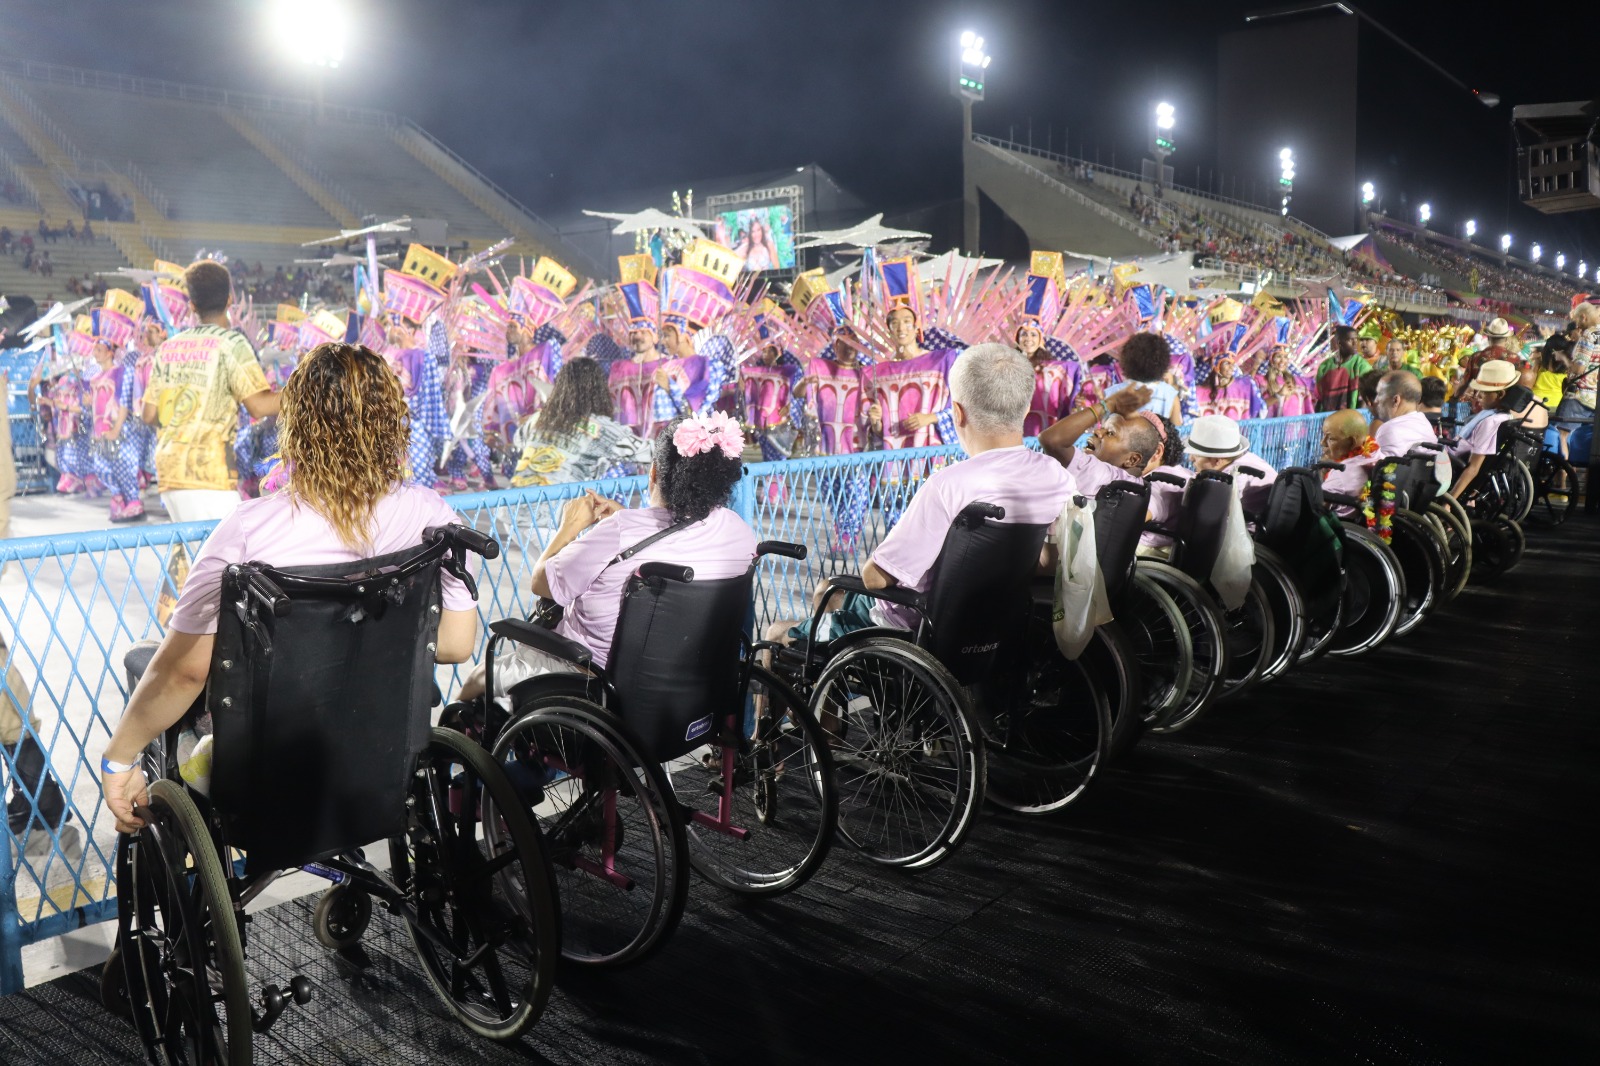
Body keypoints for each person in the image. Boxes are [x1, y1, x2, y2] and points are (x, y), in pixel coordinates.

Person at [100, 343, 480, 832]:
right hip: (382, 744)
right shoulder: (432, 515)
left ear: (296, 424)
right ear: (392, 421)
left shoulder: (249, 530)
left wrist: (118, 758)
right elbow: (455, 645)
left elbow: (185, 673)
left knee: (148, 660)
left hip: (272, 763)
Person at [774, 344, 1074, 644]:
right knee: (828, 591)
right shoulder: (1057, 476)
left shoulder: (949, 485)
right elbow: (1050, 561)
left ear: (957, 413)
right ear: (1025, 408)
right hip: (996, 622)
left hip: (913, 624)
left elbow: (875, 578)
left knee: (778, 631)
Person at [459, 410, 756, 701]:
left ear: (654, 472)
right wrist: (625, 520)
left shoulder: (620, 532)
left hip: (594, 677)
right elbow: (679, 542)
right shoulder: (739, 532)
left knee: (479, 677)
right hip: (691, 681)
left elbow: (541, 583)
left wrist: (569, 527)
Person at [142, 260, 279, 522]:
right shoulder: (231, 342)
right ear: (229, 300)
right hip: (208, 473)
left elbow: (149, 414)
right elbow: (259, 406)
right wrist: (305, 391)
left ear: (192, 305)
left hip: (169, 472)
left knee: (194, 547)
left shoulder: (168, 347)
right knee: (231, 546)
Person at [509, 358, 653, 487]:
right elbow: (647, 452)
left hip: (514, 503)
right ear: (598, 391)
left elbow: (518, 440)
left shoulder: (538, 418)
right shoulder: (598, 428)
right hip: (557, 505)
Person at [1039, 383, 1164, 495]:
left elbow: (1052, 440)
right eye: (1102, 428)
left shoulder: (1102, 475)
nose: (1097, 432)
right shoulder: (1138, 487)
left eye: (1110, 433)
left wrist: (1108, 405)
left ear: (1132, 460)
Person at [1448, 361, 1530, 499]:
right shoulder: (1504, 416)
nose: (1478, 395)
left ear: (1500, 394)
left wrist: (1450, 501)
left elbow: (1474, 467)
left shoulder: (1490, 422)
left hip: (1450, 462)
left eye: (1484, 392)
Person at [1183, 413, 1277, 514]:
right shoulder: (1249, 459)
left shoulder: (1232, 480)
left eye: (1197, 455)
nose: (1190, 458)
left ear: (1217, 460)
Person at [1105, 332, 1182, 425]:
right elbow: (1177, 430)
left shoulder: (1111, 393)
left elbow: (1104, 426)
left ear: (1126, 361)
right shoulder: (1170, 394)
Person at [1556, 301, 1599, 452]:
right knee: (1585, 440)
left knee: (1562, 435)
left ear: (1583, 317)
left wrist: (1564, 358)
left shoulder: (1588, 335)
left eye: (1577, 320)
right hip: (1595, 396)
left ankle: (1562, 467)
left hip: (1579, 395)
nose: (1577, 325)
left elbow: (1579, 368)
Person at [1319, 408, 1377, 516]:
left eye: (1331, 439)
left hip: (1344, 523)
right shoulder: (1376, 453)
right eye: (1323, 435)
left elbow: (1317, 508)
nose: (1322, 443)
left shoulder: (1341, 474)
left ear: (1351, 443)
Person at [1372, 371, 1437, 460]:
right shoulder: (1426, 425)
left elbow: (1377, 466)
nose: (1375, 400)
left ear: (1396, 400)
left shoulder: (1390, 429)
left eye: (1379, 394)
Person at [1454, 318, 1521, 402]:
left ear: (1488, 337)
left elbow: (1464, 383)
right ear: (1506, 339)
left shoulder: (1476, 357)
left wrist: (1454, 398)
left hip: (1480, 402)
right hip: (1504, 403)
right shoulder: (1514, 358)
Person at [1315, 325, 1371, 411]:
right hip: (1328, 417)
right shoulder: (1324, 367)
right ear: (1339, 343)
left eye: (1356, 339)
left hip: (1352, 417)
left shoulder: (1362, 366)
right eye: (1350, 340)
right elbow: (1320, 399)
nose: (1355, 343)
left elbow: (1366, 398)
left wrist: (1357, 417)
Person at [1194, 354, 1265, 421]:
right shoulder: (1199, 393)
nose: (1231, 367)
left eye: (1232, 363)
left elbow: (1260, 410)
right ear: (1216, 366)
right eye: (1227, 363)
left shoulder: (1246, 385)